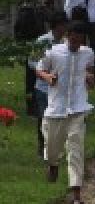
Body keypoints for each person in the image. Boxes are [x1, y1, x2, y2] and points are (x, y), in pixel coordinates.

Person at [35, 21, 95, 204]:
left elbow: (90, 72)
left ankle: (76, 193)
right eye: (74, 39)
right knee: (52, 146)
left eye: (80, 40)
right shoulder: (53, 52)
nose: (76, 43)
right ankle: (53, 164)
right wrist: (48, 78)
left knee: (76, 149)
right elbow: (39, 69)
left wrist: (90, 78)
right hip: (57, 108)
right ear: (67, 36)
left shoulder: (88, 53)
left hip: (78, 108)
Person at [28, 12, 68, 158]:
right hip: (43, 87)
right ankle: (42, 146)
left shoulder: (66, 43)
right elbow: (32, 61)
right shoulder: (43, 41)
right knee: (43, 117)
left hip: (60, 87)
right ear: (57, 25)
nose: (65, 27)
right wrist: (45, 71)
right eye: (64, 24)